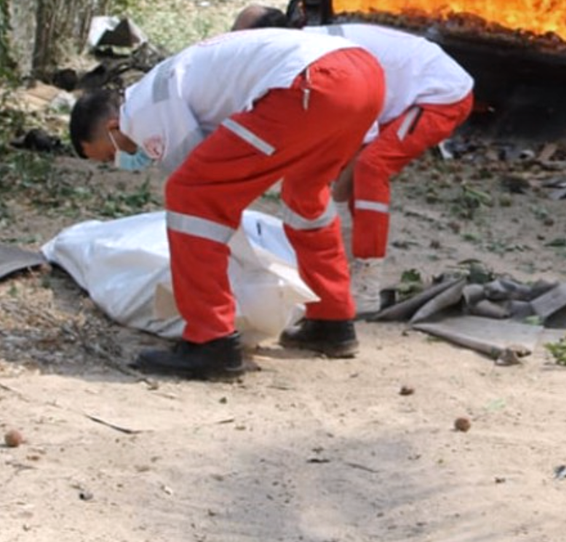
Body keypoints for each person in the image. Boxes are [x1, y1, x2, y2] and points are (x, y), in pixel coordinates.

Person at [69, 28, 386, 379]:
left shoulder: (142, 110)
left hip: (310, 83)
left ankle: (210, 342)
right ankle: (333, 322)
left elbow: (203, 185)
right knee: (305, 192)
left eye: (109, 155)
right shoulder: (175, 78)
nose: (119, 162)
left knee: (190, 195)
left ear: (114, 125)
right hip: (363, 76)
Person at [300, 23, 474, 259]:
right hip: (402, 90)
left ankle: (368, 265)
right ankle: (346, 244)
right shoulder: (305, 48)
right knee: (346, 164)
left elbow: (362, 136)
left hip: (442, 95)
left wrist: (337, 202)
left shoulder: (327, 67)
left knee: (372, 166)